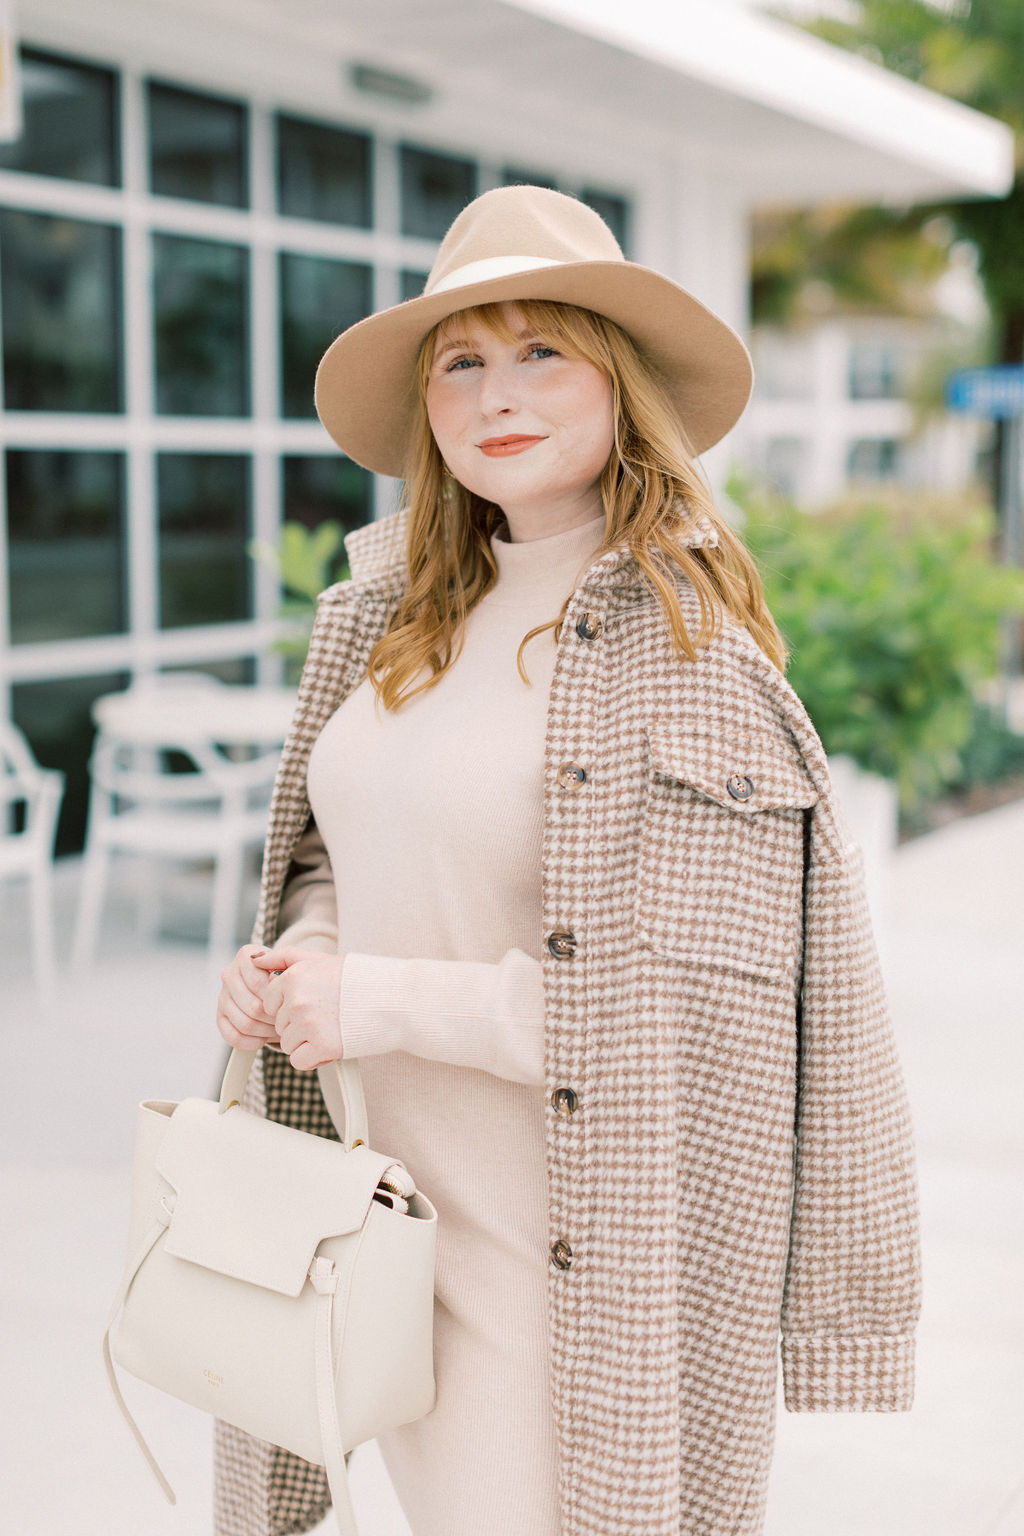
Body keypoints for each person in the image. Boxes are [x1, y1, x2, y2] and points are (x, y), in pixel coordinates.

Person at [212, 185, 921, 1536]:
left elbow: (682, 1024)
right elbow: (335, 859)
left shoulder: (689, 658)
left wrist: (374, 1004)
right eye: (462, 361)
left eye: (543, 350)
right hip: (379, 1235)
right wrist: (302, 956)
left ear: (621, 384)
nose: (498, 392)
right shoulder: (386, 626)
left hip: (568, 1269)